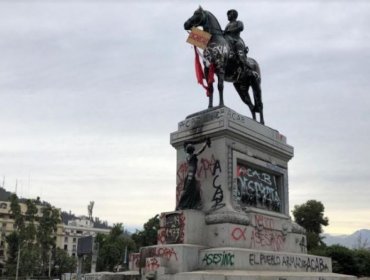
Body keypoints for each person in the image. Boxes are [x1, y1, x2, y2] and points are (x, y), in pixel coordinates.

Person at [176, 138, 211, 210]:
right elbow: (201, 150)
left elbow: (185, 146)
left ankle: (191, 204)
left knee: (193, 190)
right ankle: (181, 205)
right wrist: (205, 143)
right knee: (188, 190)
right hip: (191, 175)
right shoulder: (193, 155)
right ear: (192, 150)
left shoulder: (187, 156)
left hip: (190, 175)